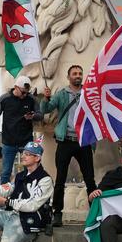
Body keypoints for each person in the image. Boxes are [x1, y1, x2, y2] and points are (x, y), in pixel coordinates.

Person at [40, 65, 97, 224]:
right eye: (74, 74)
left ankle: (94, 212)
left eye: (80, 73)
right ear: (69, 77)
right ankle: (57, 213)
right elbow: (46, 109)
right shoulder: (62, 94)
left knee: (89, 178)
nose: (78, 76)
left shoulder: (88, 94)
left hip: (83, 141)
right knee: (60, 178)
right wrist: (46, 98)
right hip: (65, 141)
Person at [0, 76, 40, 185]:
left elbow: (40, 115)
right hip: (9, 141)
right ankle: (3, 196)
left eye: (27, 92)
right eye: (23, 92)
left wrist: (33, 116)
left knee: (29, 169)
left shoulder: (31, 99)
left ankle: (27, 193)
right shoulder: (5, 98)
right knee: (6, 171)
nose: (25, 95)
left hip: (26, 141)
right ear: (16, 87)